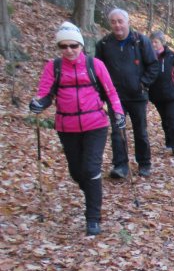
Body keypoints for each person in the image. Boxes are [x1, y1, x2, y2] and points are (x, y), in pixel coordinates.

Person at [29, 22, 125, 236]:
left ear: (81, 45)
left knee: (91, 169)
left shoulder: (95, 65)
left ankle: (93, 218)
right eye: (63, 46)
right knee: (76, 172)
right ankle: (94, 193)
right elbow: (44, 93)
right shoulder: (53, 67)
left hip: (96, 125)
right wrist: (38, 103)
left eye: (73, 45)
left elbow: (111, 92)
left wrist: (118, 113)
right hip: (67, 126)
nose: (69, 50)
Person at [95, 8, 159, 179]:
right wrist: (102, 95)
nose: (117, 25)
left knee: (140, 131)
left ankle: (144, 163)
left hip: (137, 96)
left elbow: (153, 66)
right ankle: (120, 165)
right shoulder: (103, 44)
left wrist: (143, 83)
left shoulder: (140, 41)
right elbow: (98, 71)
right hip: (115, 98)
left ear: (127, 22)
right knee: (117, 131)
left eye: (120, 21)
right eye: (114, 22)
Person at [149, 31, 174, 155]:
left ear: (162, 43)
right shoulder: (149, 57)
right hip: (157, 94)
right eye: (152, 42)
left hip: (173, 93)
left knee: (173, 118)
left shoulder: (171, 56)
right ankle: (169, 142)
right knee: (165, 119)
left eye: (156, 42)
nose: (154, 44)